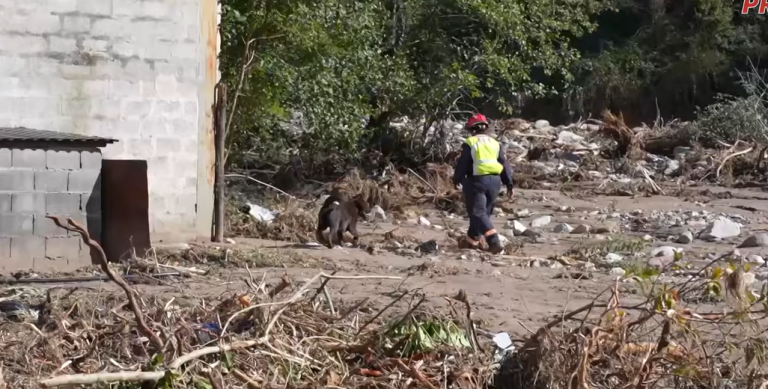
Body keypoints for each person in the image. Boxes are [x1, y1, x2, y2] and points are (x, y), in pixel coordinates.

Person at [452, 113, 514, 254]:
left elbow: (463, 163)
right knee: (483, 213)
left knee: (478, 212)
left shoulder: (470, 143)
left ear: (471, 129)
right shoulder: (495, 143)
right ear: (486, 128)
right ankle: (471, 241)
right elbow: (504, 163)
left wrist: (457, 179)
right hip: (495, 182)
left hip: (476, 181)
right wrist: (509, 183)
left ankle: (494, 241)